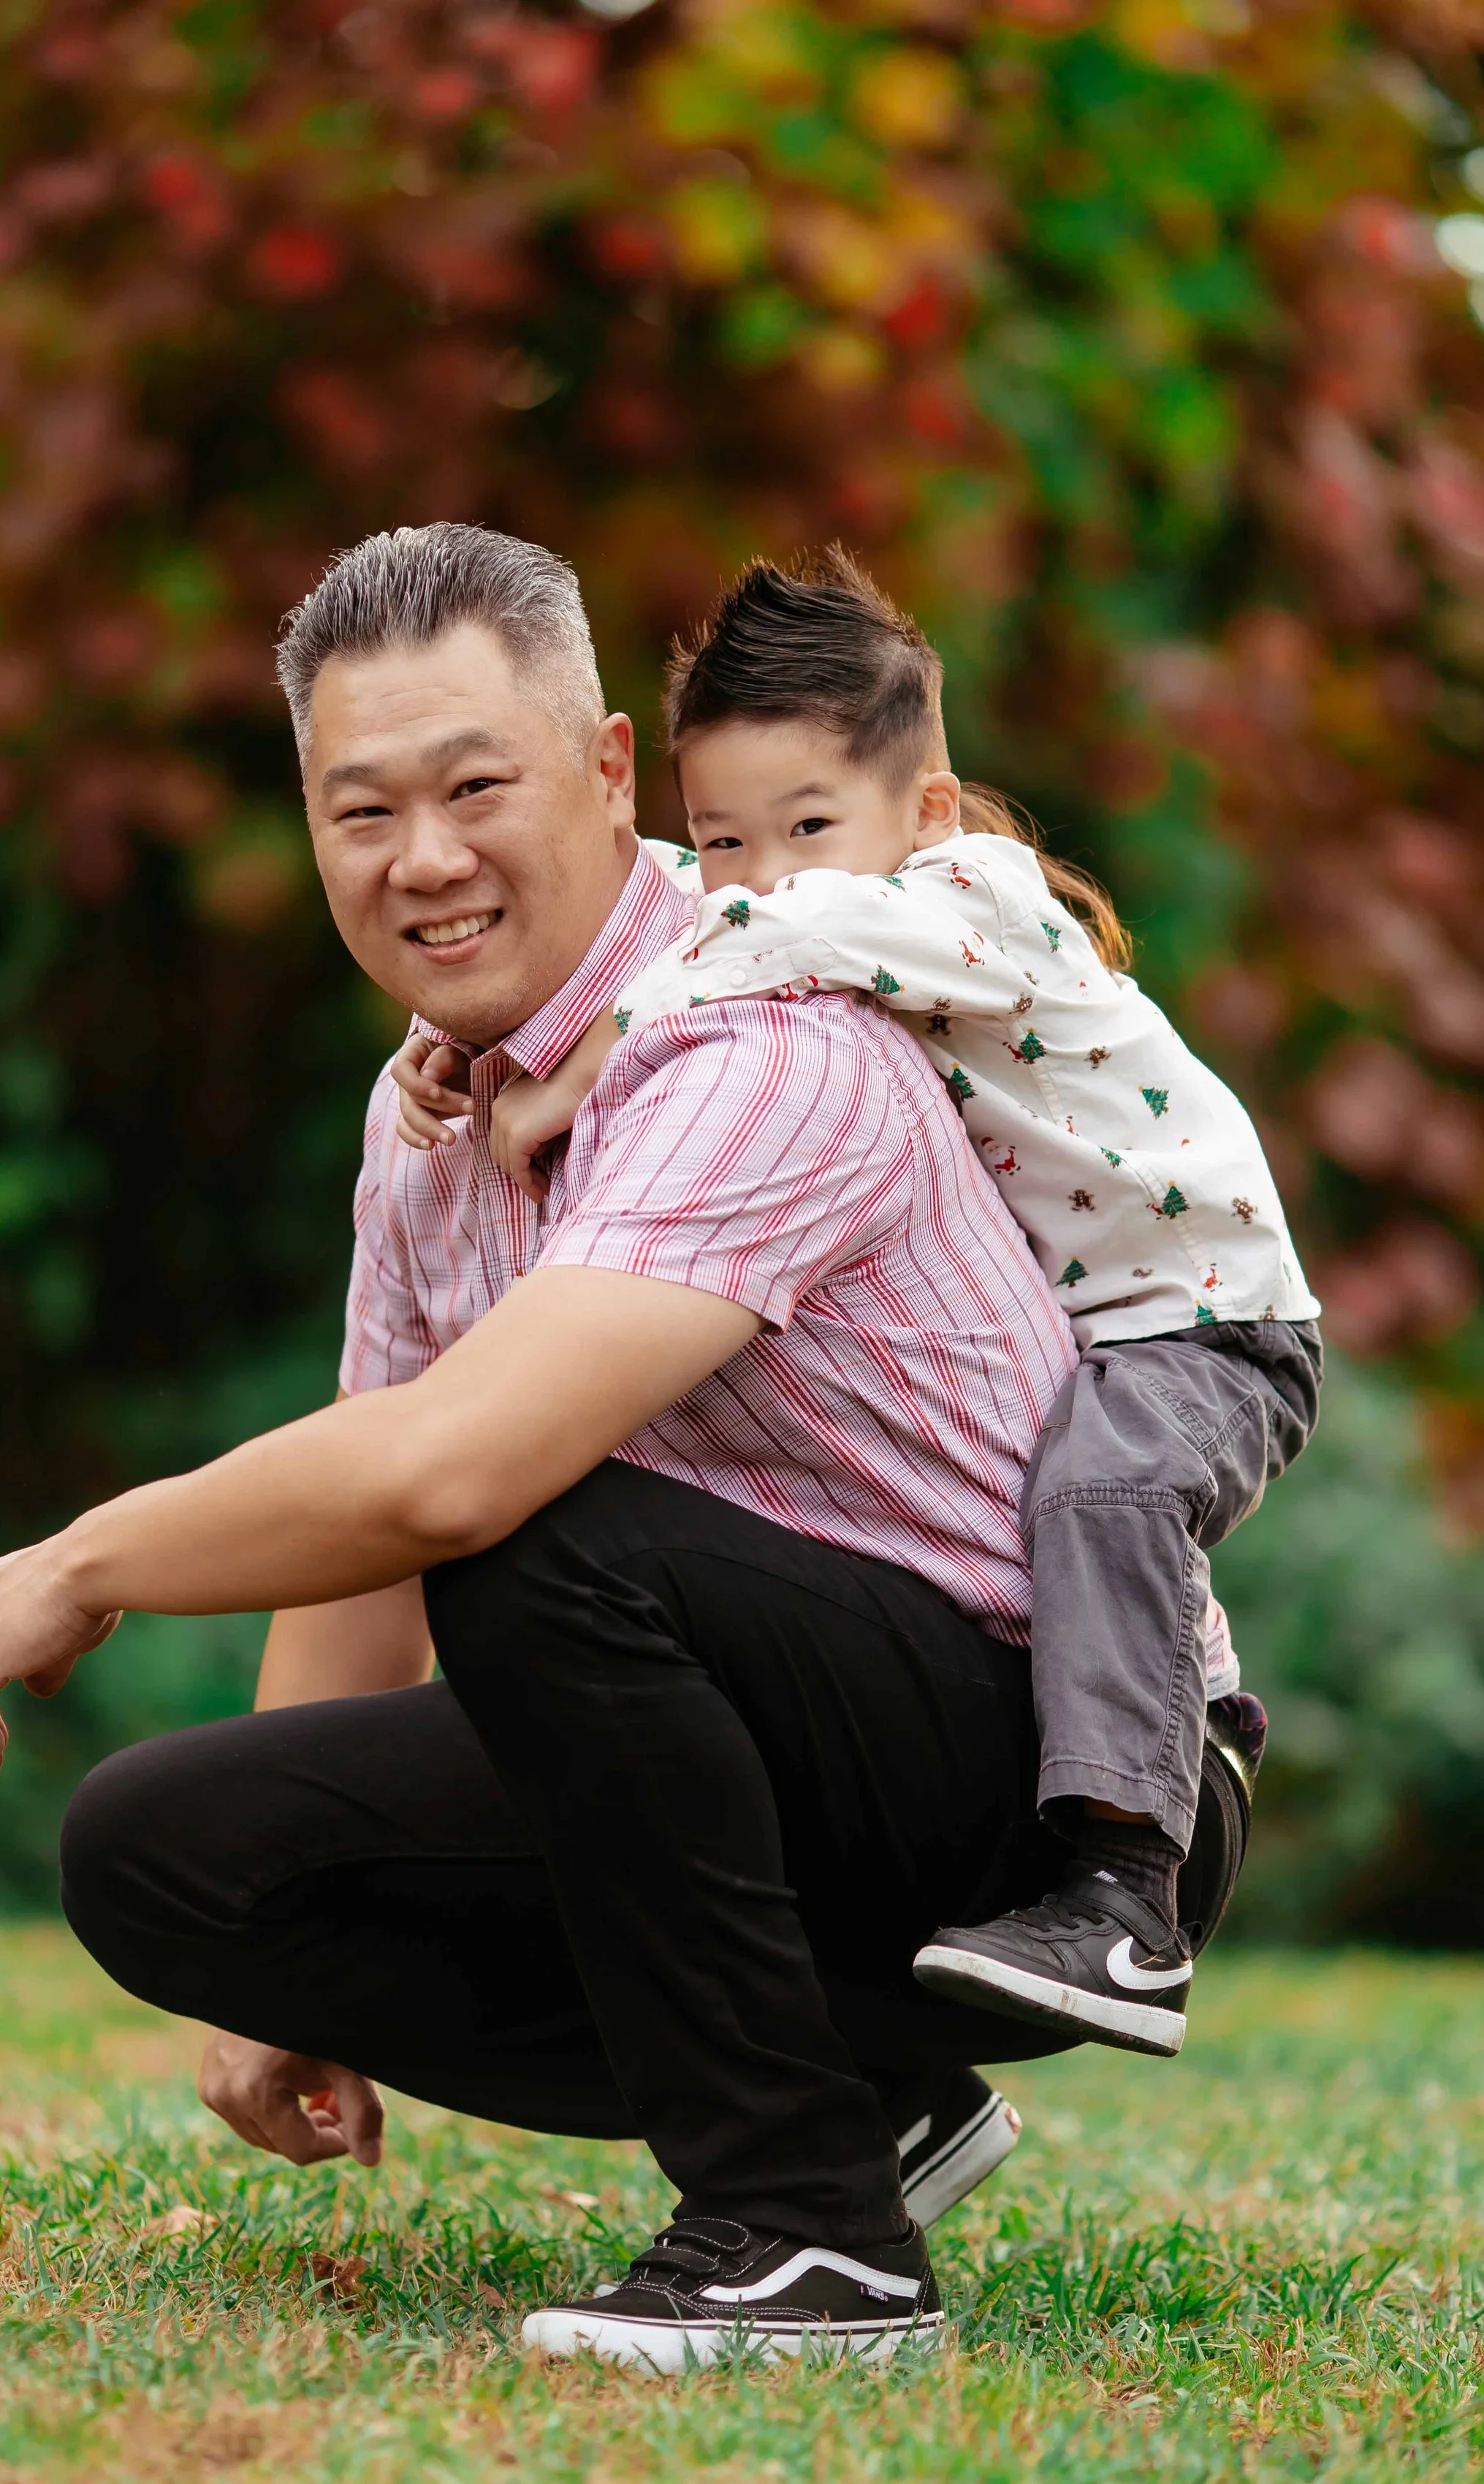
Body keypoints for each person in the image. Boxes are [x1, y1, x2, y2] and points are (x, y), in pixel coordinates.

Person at [0, 523, 1249, 2376]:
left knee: (542, 1528)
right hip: (756, 1718)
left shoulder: (773, 1033)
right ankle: (860, 2107)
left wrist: (82, 1560)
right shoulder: (426, 1109)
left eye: (475, 786)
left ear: (610, 769)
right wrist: (269, 1969)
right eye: (362, 811)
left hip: (1053, 1776)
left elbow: (448, 1481)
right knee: (168, 1852)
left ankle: (806, 2236)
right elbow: (373, 1498)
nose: (424, 858)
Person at [395, 552, 1318, 2063]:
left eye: (809, 827)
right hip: (1103, 1326)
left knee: (1098, 1492)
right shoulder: (794, 897)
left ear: (928, 809)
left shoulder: (973, 900)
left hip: (1205, 1320)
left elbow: (756, 936)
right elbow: (656, 913)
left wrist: (575, 1065)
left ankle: (1124, 1895)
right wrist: (463, 1034)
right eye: (725, 835)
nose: (766, 870)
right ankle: (884, 2065)